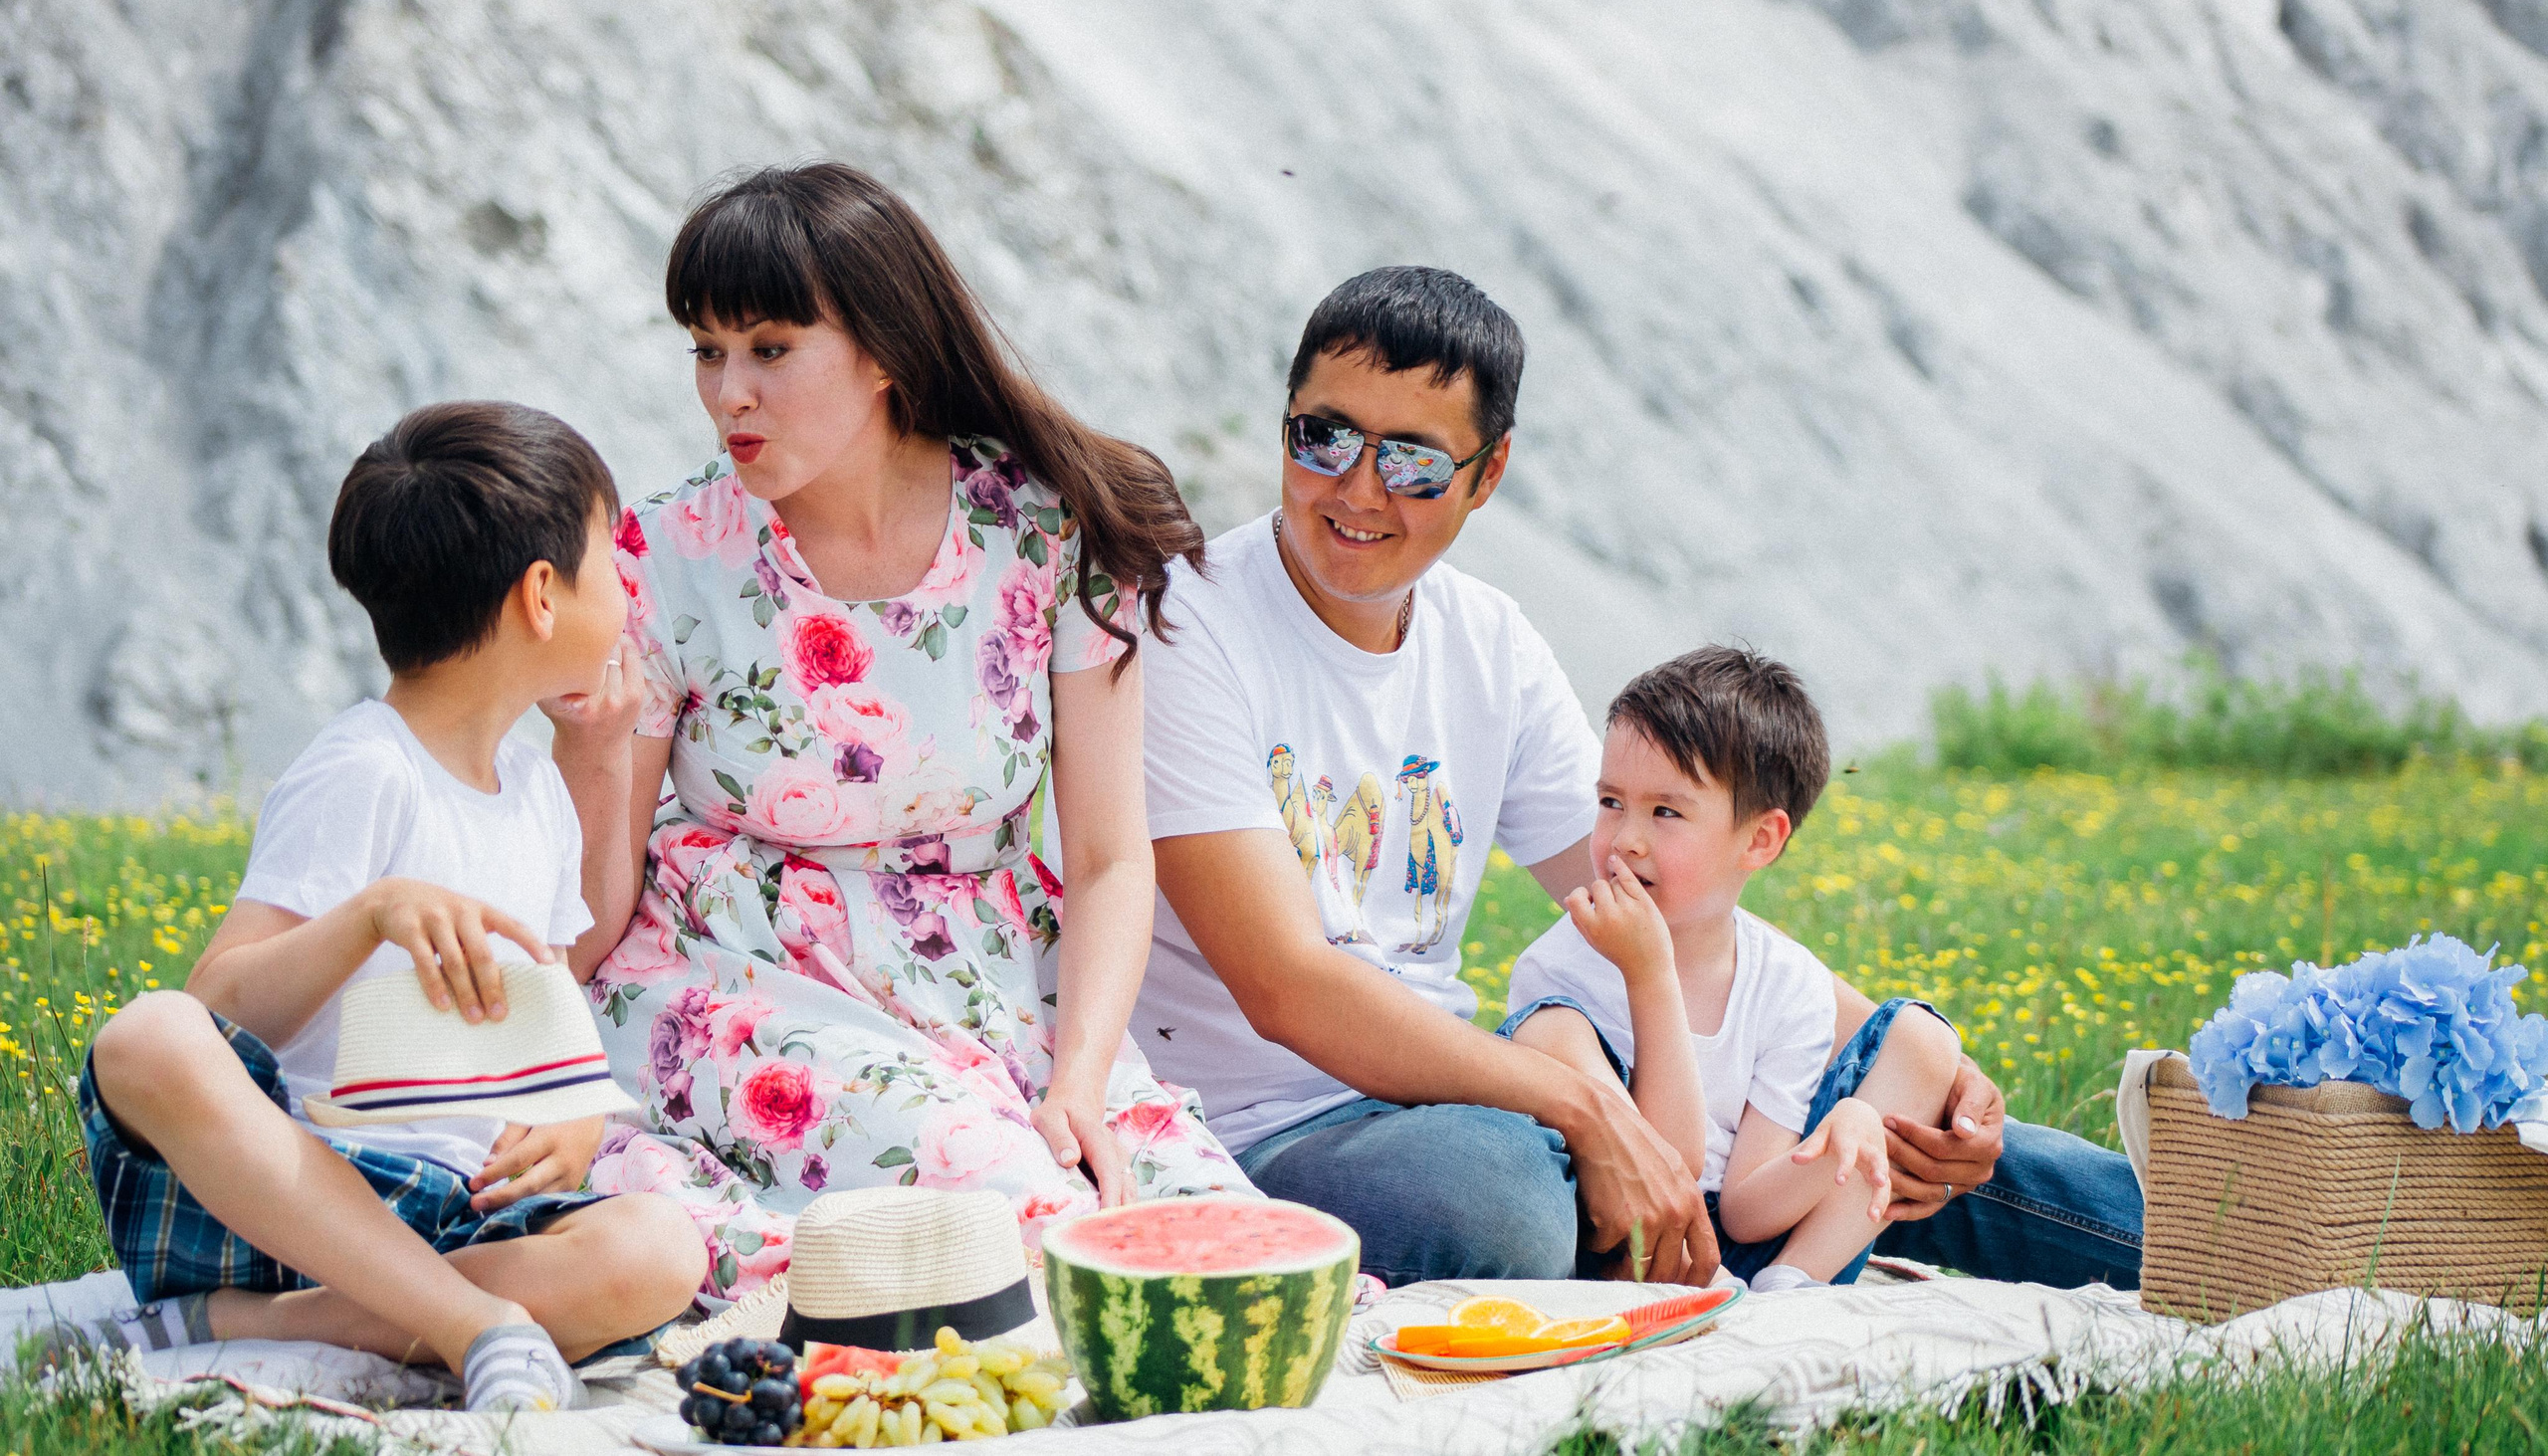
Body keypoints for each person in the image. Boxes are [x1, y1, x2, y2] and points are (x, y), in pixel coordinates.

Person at [1133, 265, 2145, 1288]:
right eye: (1324, 437)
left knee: (1841, 1109)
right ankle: (1742, 1231)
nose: (1356, 489)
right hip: (1259, 1133)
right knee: (1503, 1199)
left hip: (1449, 1091)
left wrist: (1911, 1056)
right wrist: (1582, 1107)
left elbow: (1647, 881)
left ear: (1487, 475)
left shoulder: (1487, 643)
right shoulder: (1188, 626)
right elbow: (1283, 986)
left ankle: (2206, 1232)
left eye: (1413, 463)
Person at [551, 163, 1250, 1308]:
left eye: (769, 349)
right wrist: (590, 745)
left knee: (1197, 1234)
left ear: (882, 350)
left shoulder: (1045, 530)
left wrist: (1079, 1078)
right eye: (705, 350)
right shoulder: (664, 553)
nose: (728, 393)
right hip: (744, 975)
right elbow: (591, 904)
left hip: (991, 981)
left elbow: (1116, 858)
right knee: (1011, 1213)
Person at [65, 402, 707, 1411]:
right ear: (543, 595)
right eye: (606, 562)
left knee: (660, 1252)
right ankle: (475, 1325)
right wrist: (367, 916)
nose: (628, 595)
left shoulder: (533, 788)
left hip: (452, 1211)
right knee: (151, 1034)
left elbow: (554, 983)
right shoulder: (364, 770)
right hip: (288, 1198)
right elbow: (220, 1008)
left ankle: (252, 1328)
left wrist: (576, 1122)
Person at [1503, 646, 1960, 1291]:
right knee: (1545, 1027)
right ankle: (1722, 1293)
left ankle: (1794, 1286)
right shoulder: (1560, 969)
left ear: (1759, 840)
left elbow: (1748, 1208)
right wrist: (1650, 974)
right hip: (1626, 1233)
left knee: (1925, 1040)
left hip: (1748, 1248)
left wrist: (1845, 1137)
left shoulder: (1788, 983)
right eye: (1610, 801)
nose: (1625, 837)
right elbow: (1672, 1160)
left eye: (1665, 811)